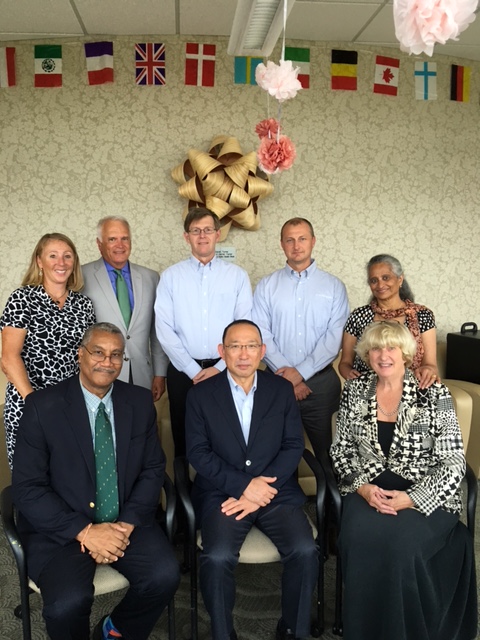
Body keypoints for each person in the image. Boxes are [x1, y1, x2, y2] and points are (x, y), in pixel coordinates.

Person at [12, 322, 180, 640]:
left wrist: (126, 525)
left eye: (116, 354)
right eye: (98, 352)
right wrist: (87, 532)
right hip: (63, 530)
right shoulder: (42, 407)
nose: (107, 361)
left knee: (165, 576)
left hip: (123, 521)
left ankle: (115, 630)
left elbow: (152, 468)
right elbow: (28, 487)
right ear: (80, 355)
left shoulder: (140, 402)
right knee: (66, 604)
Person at [330, 321, 477, 640]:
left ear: (406, 353)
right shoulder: (355, 391)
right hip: (369, 490)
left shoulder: (434, 392)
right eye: (376, 349)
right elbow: (341, 451)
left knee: (400, 548)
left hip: (424, 493)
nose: (384, 355)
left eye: (391, 348)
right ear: (367, 354)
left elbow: (454, 462)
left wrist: (413, 498)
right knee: (357, 539)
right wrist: (363, 488)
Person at [186, 319, 318, 640]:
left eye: (250, 346)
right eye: (235, 346)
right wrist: (245, 487)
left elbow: (292, 445)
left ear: (262, 351)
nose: (243, 354)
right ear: (222, 352)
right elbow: (198, 454)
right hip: (223, 493)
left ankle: (293, 629)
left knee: (305, 550)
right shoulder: (201, 395)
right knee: (217, 557)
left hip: (276, 492)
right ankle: (222, 633)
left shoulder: (281, 389)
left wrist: (261, 487)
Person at [155, 207, 252, 458]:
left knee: (225, 436)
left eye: (208, 230)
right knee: (183, 436)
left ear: (218, 235)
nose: (202, 236)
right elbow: (163, 328)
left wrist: (220, 368)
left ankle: (220, 492)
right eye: (195, 231)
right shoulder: (170, 277)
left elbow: (244, 327)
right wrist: (193, 370)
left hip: (226, 370)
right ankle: (185, 492)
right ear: (186, 236)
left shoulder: (237, 277)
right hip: (182, 371)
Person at [252, 217, 349, 455]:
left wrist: (301, 373)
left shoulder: (334, 286)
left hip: (321, 385)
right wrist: (288, 376)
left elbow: (335, 336)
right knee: (276, 454)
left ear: (313, 241)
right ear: (282, 244)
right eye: (290, 240)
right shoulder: (266, 286)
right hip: (276, 382)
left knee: (331, 454)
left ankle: (331, 494)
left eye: (302, 238)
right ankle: (288, 494)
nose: (297, 245)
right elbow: (260, 333)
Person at [0, 232, 95, 468]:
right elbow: (8, 357)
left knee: (71, 476)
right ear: (39, 261)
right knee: (33, 478)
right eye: (53, 256)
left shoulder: (84, 305)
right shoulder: (22, 298)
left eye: (67, 256)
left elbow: (87, 356)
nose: (60, 263)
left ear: (74, 263)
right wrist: (35, 404)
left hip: (71, 405)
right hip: (29, 403)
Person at [82, 215, 168, 401]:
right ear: (99, 244)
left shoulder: (151, 277)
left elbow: (157, 331)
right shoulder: (81, 277)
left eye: (125, 238)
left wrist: (160, 373)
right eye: (112, 239)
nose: (120, 245)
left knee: (141, 427)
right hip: (98, 373)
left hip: (142, 375)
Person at [339, 253, 438, 388]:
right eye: (374, 280)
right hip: (366, 390)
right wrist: (352, 376)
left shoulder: (423, 315)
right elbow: (345, 363)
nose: (380, 284)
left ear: (400, 279)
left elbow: (431, 365)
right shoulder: (358, 316)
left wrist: (428, 371)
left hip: (413, 389)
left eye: (386, 277)